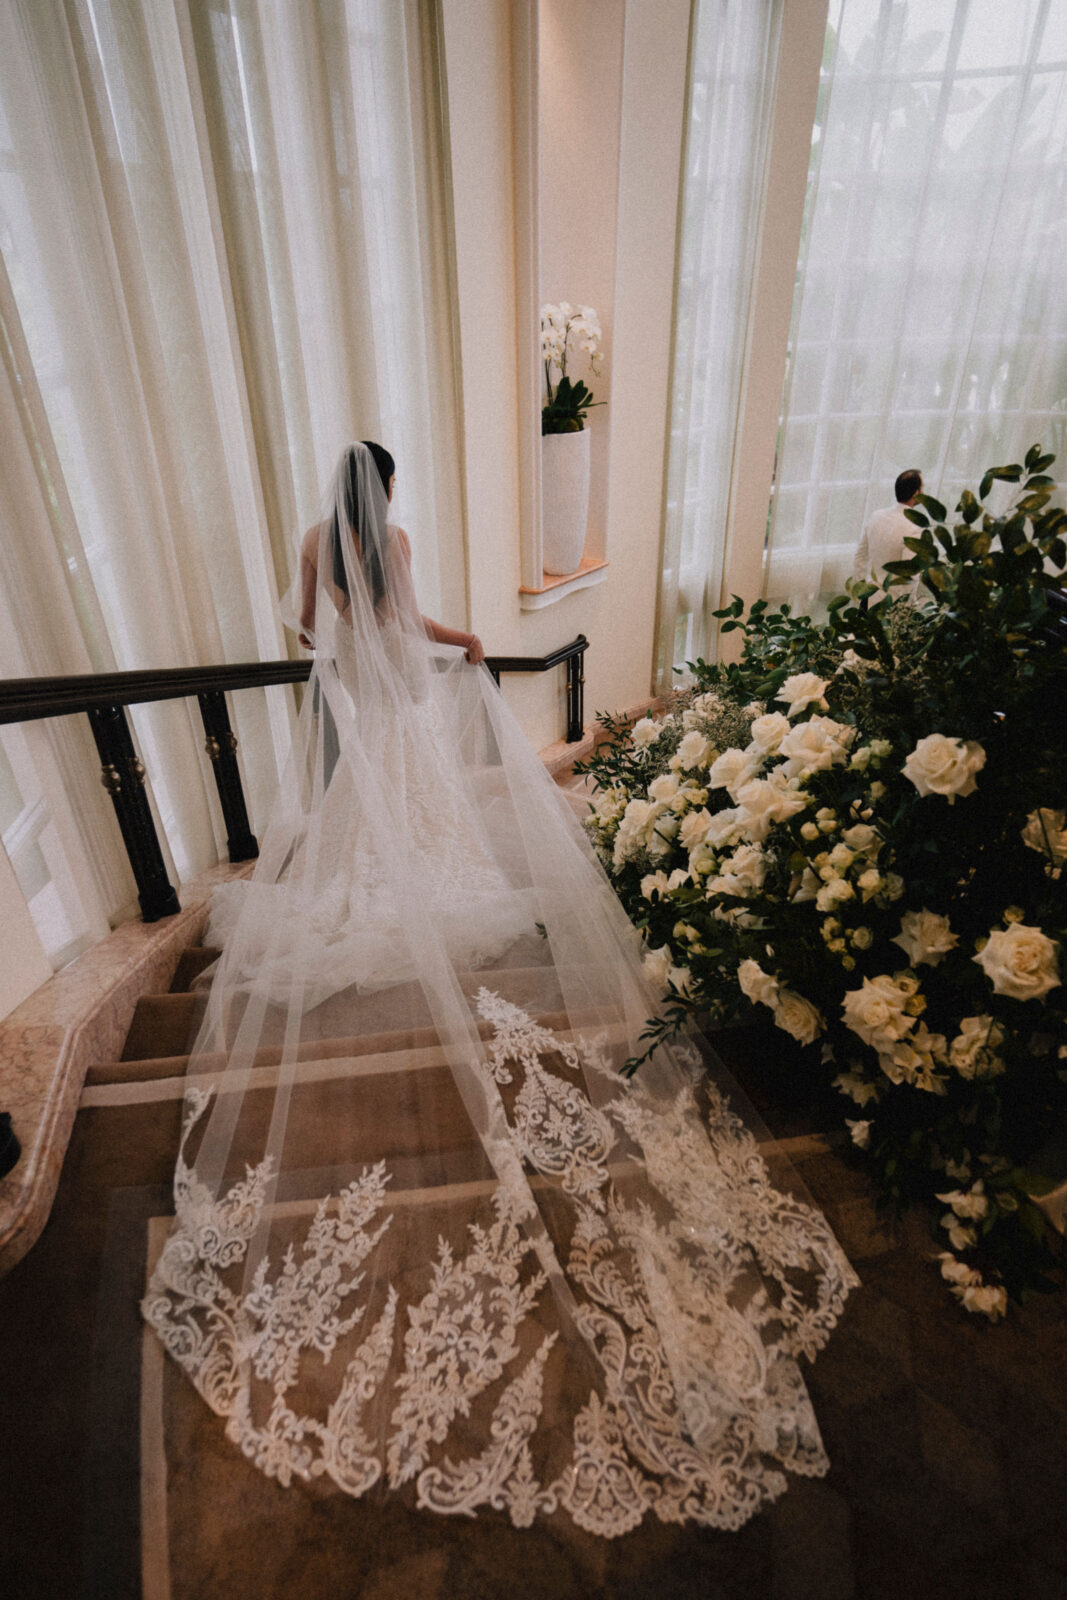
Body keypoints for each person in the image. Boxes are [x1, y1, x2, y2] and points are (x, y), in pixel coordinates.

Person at [143, 442, 855, 1537]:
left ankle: (356, 892)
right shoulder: (396, 540)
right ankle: (417, 892)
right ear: (385, 490)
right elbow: (410, 625)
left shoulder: (312, 543)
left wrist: (342, 654)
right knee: (430, 834)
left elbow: (304, 630)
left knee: (351, 833)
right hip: (396, 711)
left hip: (347, 707)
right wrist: (458, 643)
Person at [853, 468, 923, 598]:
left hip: (869, 597)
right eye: (922, 489)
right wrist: (906, 609)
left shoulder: (876, 516)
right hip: (892, 604)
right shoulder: (915, 527)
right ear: (916, 493)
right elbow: (910, 575)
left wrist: (863, 590)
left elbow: (859, 557)